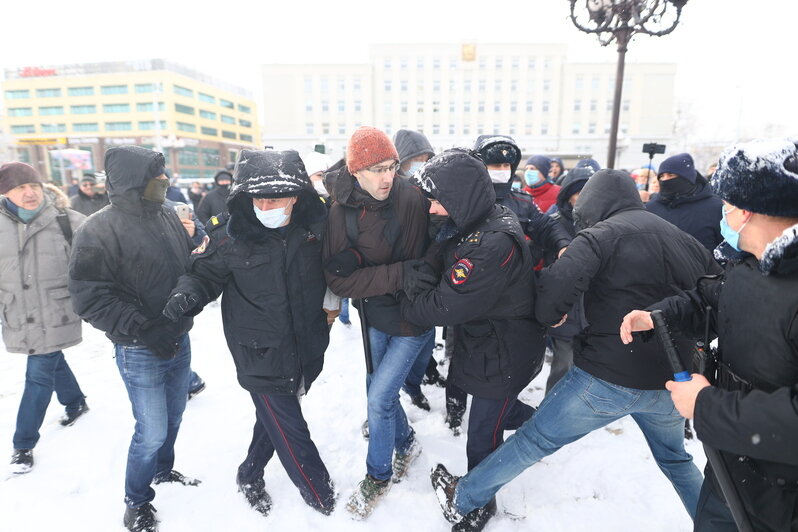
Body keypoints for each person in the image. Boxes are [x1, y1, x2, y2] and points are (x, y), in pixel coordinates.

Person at [431, 168, 722, 529]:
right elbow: (712, 302)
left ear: (595, 203)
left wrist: (551, 314)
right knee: (676, 460)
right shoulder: (686, 241)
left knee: (534, 439)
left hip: (606, 377)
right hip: (672, 380)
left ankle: (463, 497)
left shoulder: (601, 236)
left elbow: (552, 295)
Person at [621, 138, 798, 532]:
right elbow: (712, 299)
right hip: (732, 461)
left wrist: (706, 406)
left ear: (747, 210)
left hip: (782, 495)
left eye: (727, 205)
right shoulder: (749, 264)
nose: (724, 214)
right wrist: (658, 316)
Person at [164, 149, 336, 517]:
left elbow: (339, 265)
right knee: (290, 425)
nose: (268, 204)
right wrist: (186, 295)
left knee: (273, 416)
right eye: (260, 197)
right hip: (257, 348)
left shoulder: (316, 228)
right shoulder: (228, 233)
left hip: (307, 343)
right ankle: (320, 493)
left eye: (278, 197)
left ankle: (250, 471)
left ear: (297, 196)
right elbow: (202, 275)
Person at [402, 149, 544, 531]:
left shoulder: (490, 245)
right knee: (499, 414)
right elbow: (442, 251)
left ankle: (480, 503)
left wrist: (413, 299)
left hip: (503, 353)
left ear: (459, 198)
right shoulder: (477, 221)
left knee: (482, 435)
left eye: (436, 201)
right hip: (492, 344)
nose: (431, 210)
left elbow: (444, 307)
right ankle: (540, 428)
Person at [68, 146, 198, 532]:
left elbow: (185, 264)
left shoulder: (169, 215)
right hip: (138, 347)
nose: (166, 179)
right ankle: (137, 502)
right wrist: (143, 326)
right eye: (158, 173)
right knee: (152, 428)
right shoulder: (95, 230)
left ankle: (163, 468)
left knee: (174, 415)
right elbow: (89, 296)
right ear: (134, 180)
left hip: (178, 337)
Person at [322, 126, 434, 519]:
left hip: (417, 316)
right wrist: (399, 274)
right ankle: (406, 443)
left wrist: (414, 277)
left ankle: (377, 476)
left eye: (391, 167)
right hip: (376, 315)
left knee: (379, 398)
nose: (386, 177)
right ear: (355, 172)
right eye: (375, 170)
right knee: (378, 390)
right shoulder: (341, 211)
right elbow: (337, 279)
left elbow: (433, 256)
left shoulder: (413, 196)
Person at [0, 162, 89, 474]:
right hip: (18, 313)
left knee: (38, 374)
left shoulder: (66, 221)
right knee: (50, 359)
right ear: (5, 193)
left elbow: (104, 249)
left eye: (33, 186)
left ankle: (23, 444)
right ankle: (75, 401)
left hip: (56, 311)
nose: (29, 193)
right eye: (20, 187)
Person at [544, 166, 594, 394]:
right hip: (568, 309)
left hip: (596, 309)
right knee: (563, 365)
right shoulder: (554, 224)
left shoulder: (606, 223)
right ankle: (550, 409)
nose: (583, 197)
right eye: (578, 191)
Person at [646, 153, 724, 251]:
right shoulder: (651, 208)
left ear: (687, 178)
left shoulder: (715, 207)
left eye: (671, 175)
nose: (665, 180)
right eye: (661, 176)